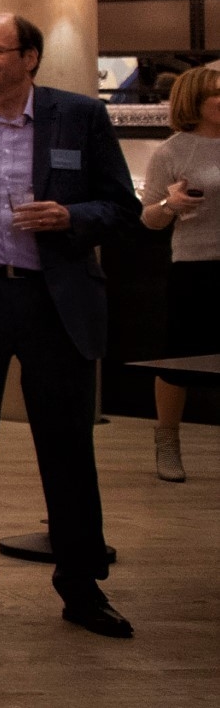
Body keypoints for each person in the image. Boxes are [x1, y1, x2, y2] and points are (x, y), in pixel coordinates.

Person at [0, 12, 138, 640]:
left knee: (67, 445)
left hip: (54, 297)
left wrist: (69, 216)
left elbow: (121, 206)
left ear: (31, 58)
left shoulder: (78, 116)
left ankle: (81, 585)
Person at [136, 62, 220, 484]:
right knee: (178, 358)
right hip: (195, 264)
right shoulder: (173, 151)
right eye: (218, 94)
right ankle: (167, 441)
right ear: (196, 102)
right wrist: (172, 205)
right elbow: (150, 218)